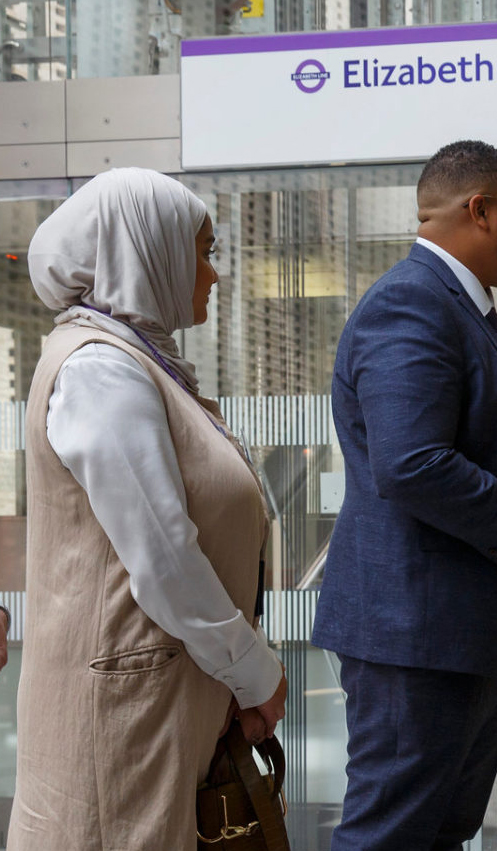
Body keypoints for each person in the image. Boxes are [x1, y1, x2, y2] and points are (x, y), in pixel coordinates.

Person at [314, 141, 497, 851]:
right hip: (420, 638)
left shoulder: (467, 313)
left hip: (462, 636)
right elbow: (411, 464)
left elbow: (468, 450)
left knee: (437, 834)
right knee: (390, 835)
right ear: (480, 211)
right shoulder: (411, 303)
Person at [14, 167, 287, 849]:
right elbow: (164, 559)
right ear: (146, 249)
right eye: (203, 251)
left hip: (158, 699)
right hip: (123, 714)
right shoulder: (98, 371)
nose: (212, 274)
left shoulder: (137, 360)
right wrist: (254, 671)